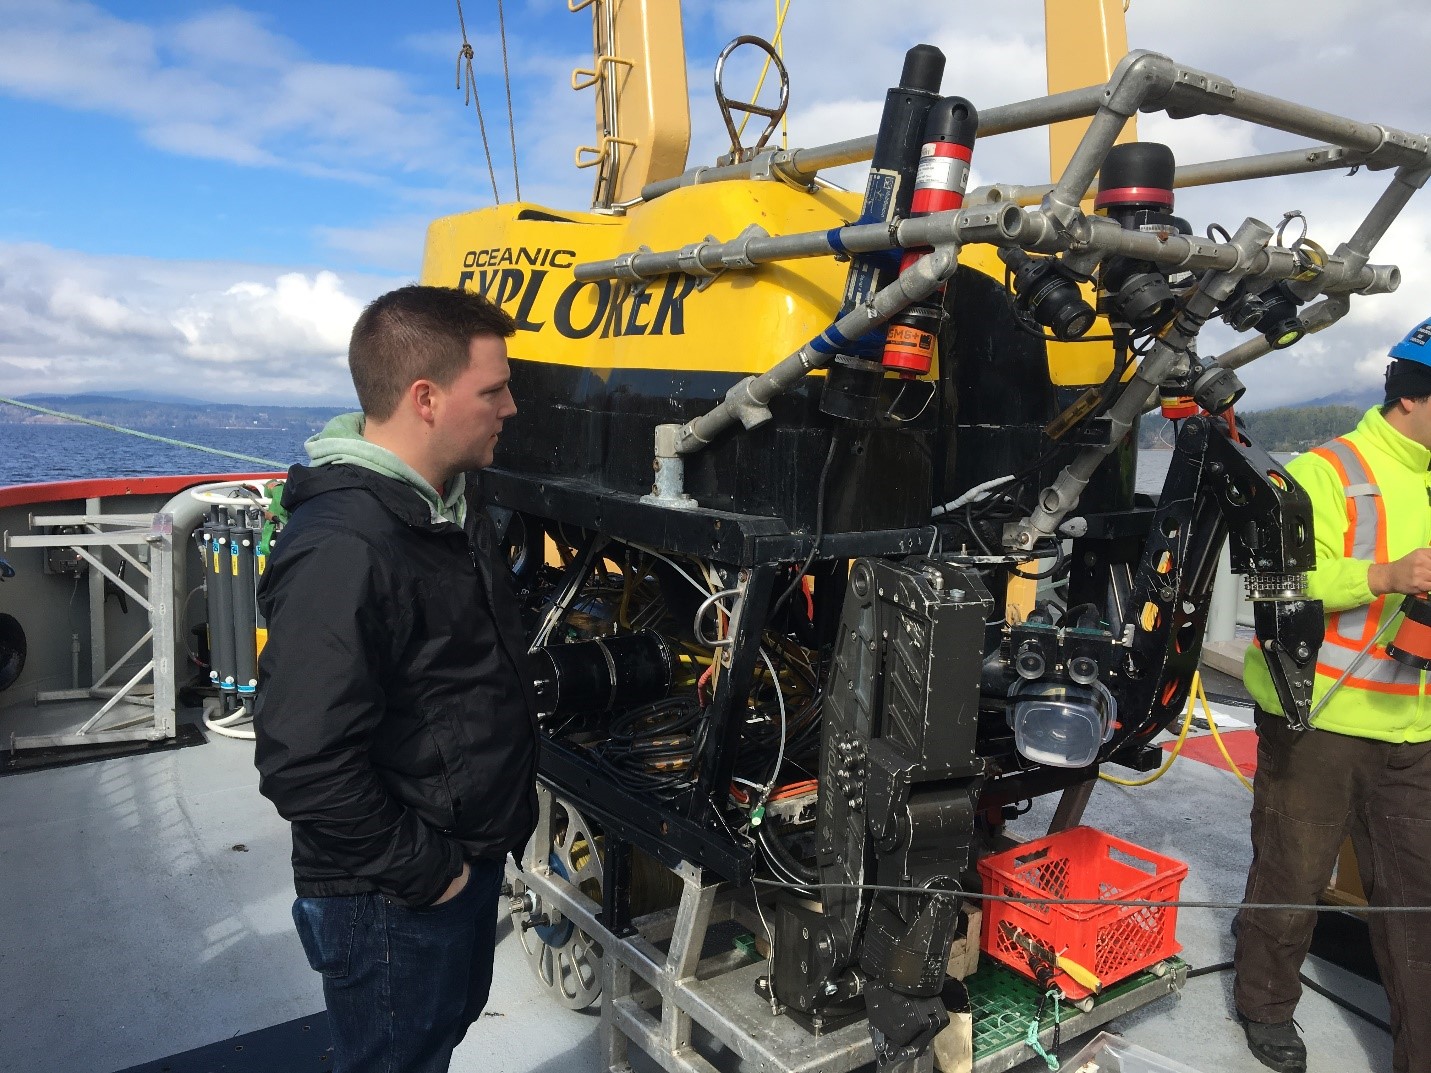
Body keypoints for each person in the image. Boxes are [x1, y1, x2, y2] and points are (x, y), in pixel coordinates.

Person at [252, 285, 537, 1073]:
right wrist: (434, 875)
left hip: (455, 861)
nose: (510, 406)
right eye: (494, 388)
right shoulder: (346, 545)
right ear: (426, 398)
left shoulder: (439, 505)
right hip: (393, 895)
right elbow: (303, 762)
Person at [1238, 318, 1431, 1073]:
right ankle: (1263, 1004)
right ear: (1415, 399)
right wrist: (1381, 577)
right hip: (1317, 720)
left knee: (1418, 896)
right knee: (1291, 872)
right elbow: (1269, 585)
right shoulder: (1325, 471)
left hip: (1412, 727)